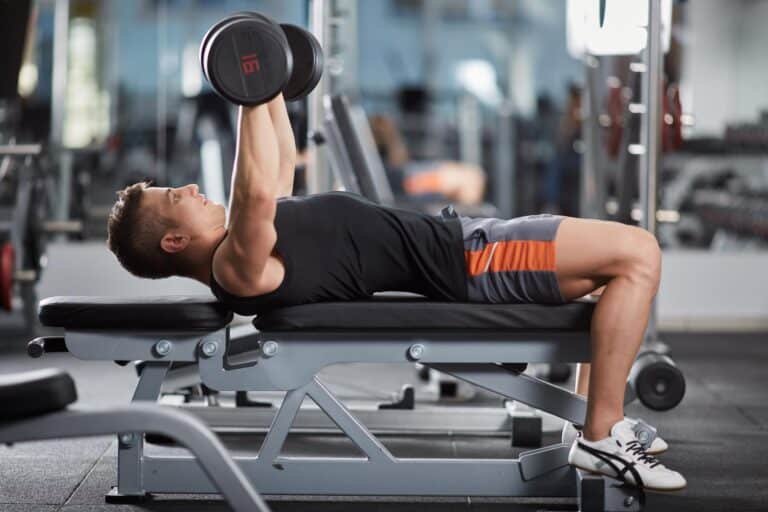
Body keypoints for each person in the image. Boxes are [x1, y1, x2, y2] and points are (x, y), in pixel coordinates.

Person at [106, 95, 686, 492]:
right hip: (473, 259)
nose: (187, 186)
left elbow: (275, 165)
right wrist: (248, 91)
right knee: (638, 255)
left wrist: (268, 84)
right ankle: (603, 436)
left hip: (470, 245)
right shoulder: (237, 268)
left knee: (616, 274)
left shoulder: (247, 242)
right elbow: (255, 192)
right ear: (176, 239)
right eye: (172, 196)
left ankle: (594, 424)